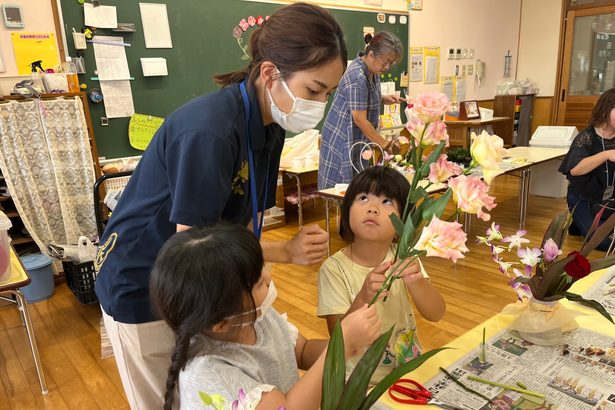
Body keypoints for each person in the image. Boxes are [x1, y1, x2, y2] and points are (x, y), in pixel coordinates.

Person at [94, 3, 347, 408]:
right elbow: (198, 247)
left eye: (328, 94)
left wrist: (277, 259)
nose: (319, 105)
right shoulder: (209, 132)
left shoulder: (271, 124)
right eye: (314, 91)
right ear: (270, 74)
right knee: (169, 399)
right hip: (145, 280)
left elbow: (244, 222)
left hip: (205, 280)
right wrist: (281, 254)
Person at [150, 223, 381, 409]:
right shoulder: (211, 372)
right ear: (222, 323)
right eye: (259, 282)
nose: (269, 278)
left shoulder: (257, 318)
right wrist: (346, 342)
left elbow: (303, 350)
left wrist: (358, 309)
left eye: (263, 268)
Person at [317, 166, 446, 384]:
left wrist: (417, 283)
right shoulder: (334, 269)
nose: (373, 208)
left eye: (387, 201)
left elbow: (436, 313)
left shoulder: (403, 257)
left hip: (407, 372)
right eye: (363, 198)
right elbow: (337, 338)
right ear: (347, 209)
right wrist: (363, 297)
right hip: (360, 383)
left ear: (404, 221)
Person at [318, 32, 405, 189]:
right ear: (371, 54)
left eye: (390, 63)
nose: (387, 67)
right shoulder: (358, 76)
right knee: (344, 190)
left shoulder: (373, 70)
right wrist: (384, 143)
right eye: (385, 62)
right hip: (343, 138)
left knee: (359, 185)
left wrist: (384, 98)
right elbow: (359, 119)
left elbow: (363, 98)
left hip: (358, 138)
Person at [559, 88, 615, 251]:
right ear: (605, 109)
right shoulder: (587, 137)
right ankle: (580, 218)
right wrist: (606, 155)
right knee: (603, 242)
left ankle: (578, 223)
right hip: (583, 197)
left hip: (609, 196)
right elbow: (575, 169)